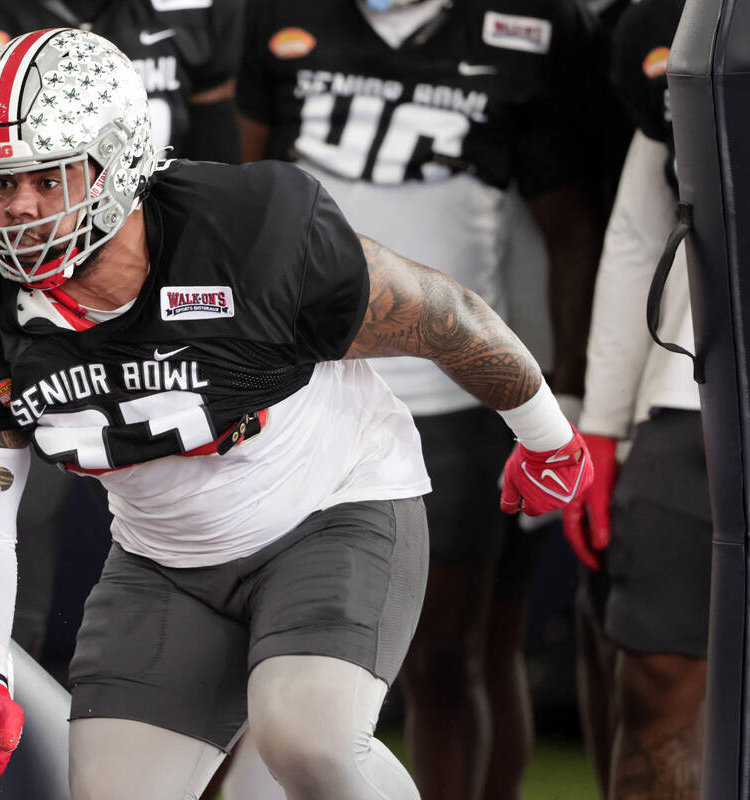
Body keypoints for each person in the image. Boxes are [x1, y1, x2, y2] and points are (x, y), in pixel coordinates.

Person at [0, 28, 594, 798]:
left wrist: (547, 438)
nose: (18, 209)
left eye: (48, 177)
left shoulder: (247, 235)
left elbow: (444, 316)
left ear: (116, 161)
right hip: (165, 561)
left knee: (308, 737)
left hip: (330, 509)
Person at [236, 1, 606, 797]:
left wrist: (563, 394)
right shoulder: (277, 17)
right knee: (247, 649)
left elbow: (571, 225)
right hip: (293, 388)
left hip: (449, 392)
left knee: (446, 657)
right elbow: (235, 199)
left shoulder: (528, 27)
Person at [0, 0, 244, 664]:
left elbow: (222, 167)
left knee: (223, 574)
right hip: (22, 313)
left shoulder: (199, 12)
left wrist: (234, 309)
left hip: (167, 304)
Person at [564, 0, 708, 795]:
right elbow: (638, 228)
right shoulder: (669, 23)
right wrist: (603, 425)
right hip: (687, 389)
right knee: (653, 680)